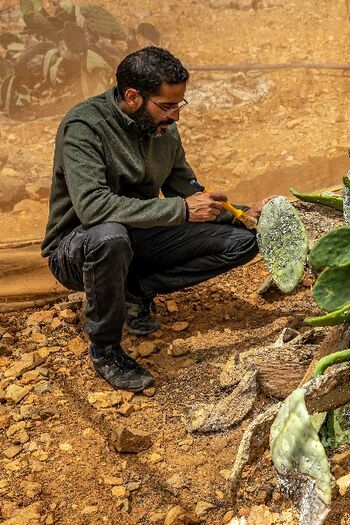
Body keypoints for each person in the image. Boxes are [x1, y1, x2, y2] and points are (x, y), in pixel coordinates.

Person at [41, 46, 272, 392]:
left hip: (136, 237)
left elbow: (186, 190)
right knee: (110, 237)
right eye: (166, 105)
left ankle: (134, 290)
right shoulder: (84, 126)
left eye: (179, 104)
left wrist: (243, 213)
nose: (176, 115)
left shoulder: (163, 130)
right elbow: (93, 208)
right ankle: (105, 348)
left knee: (242, 242)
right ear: (133, 97)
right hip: (79, 249)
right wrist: (181, 211)